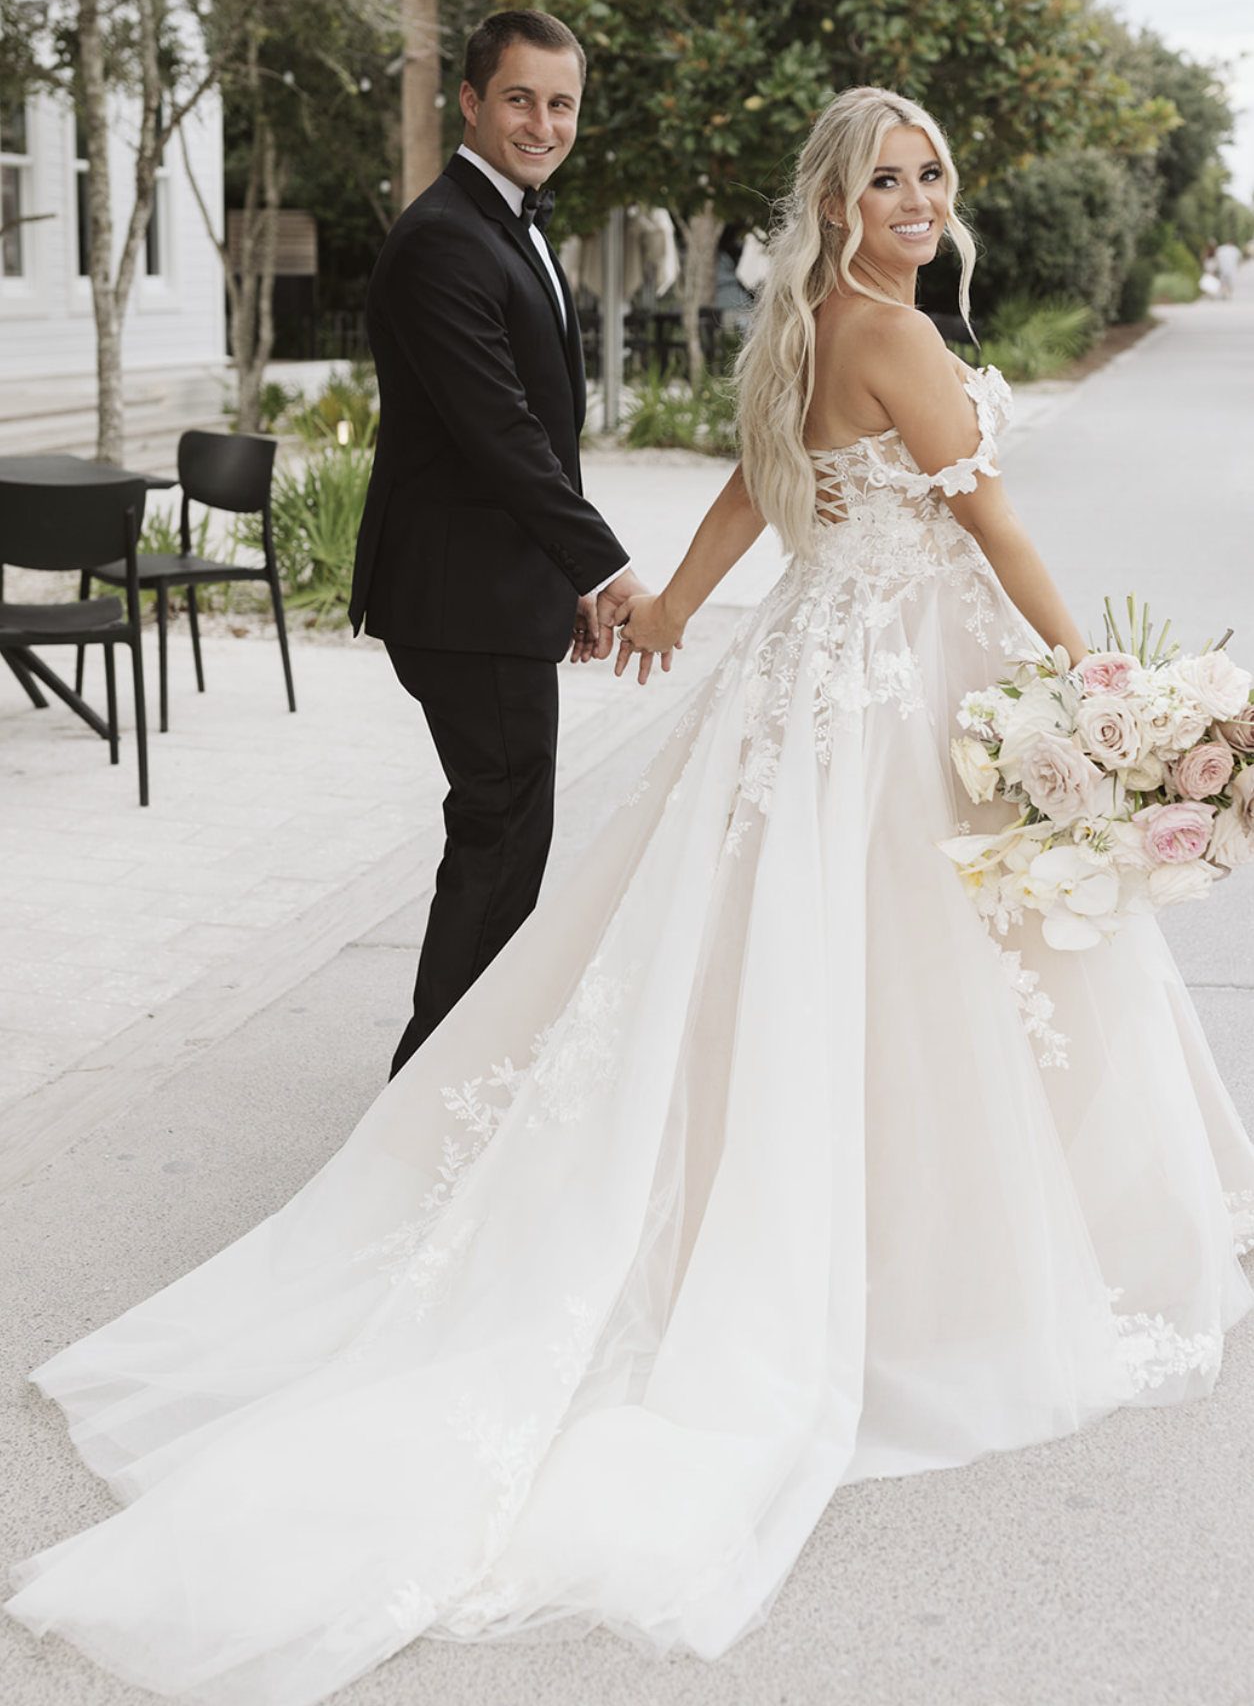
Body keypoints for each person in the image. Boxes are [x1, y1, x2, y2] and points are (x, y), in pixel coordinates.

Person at [8, 88, 1254, 1706]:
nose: (916, 196)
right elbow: (988, 512)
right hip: (881, 691)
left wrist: (667, 600)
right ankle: (912, 1254)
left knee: (810, 959)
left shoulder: (814, 322)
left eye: (932, 170)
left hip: (824, 671)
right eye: (885, 176)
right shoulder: (881, 329)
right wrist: (1097, 672)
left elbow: (747, 489)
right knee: (910, 951)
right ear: (833, 197)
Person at [349, 9, 663, 1078]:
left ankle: (457, 1078)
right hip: (455, 594)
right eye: (520, 98)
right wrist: (607, 570)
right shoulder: (443, 237)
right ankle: (434, 1087)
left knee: (507, 822)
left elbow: (538, 430)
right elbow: (502, 438)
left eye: (561, 102)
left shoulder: (508, 221)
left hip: (494, 586)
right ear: (472, 101)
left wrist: (563, 577)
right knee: (499, 826)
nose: (542, 121)